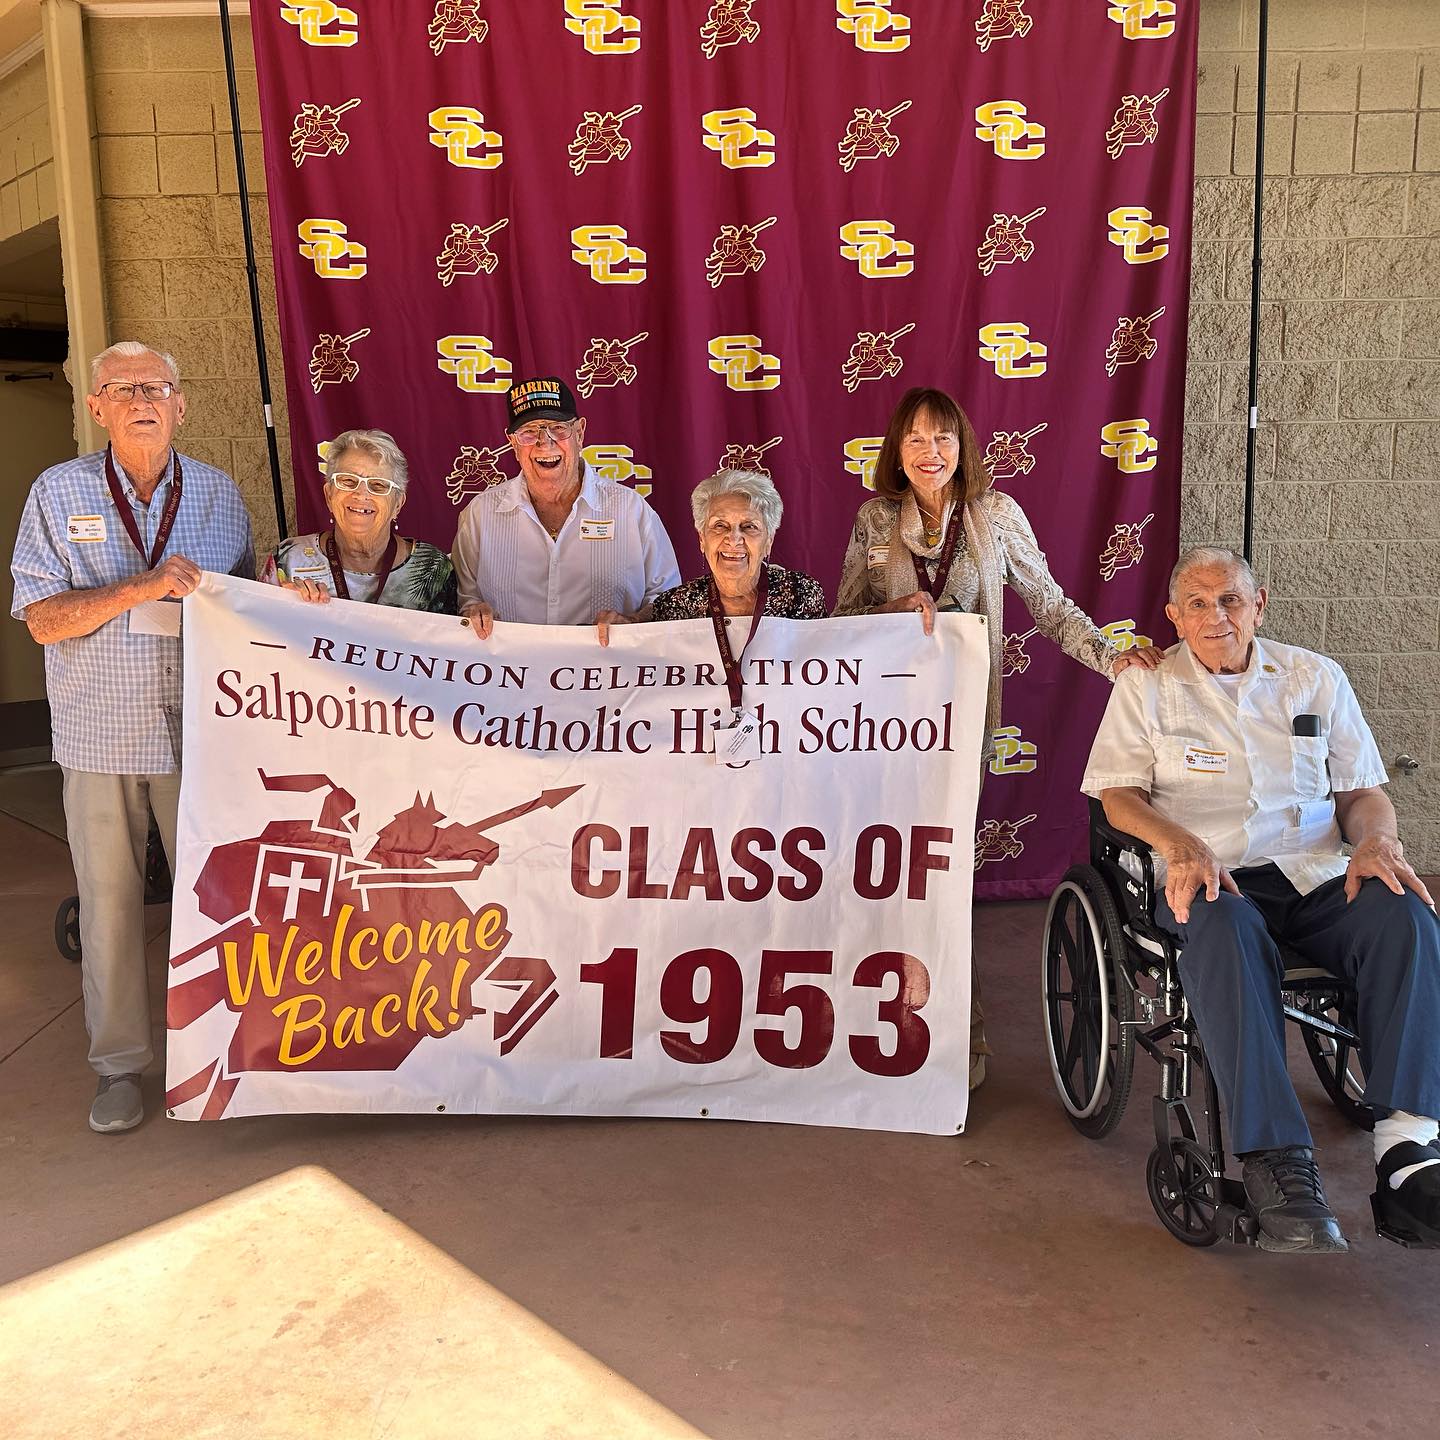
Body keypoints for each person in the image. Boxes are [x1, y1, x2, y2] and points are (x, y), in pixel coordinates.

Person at [1083, 546, 1440, 1253]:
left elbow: (1361, 793)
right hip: (1211, 874)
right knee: (1222, 927)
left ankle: (1407, 1149)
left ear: (1260, 604)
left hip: (1314, 873)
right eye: (1200, 603)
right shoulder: (1148, 687)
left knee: (1407, 915)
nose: (1217, 616)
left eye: (1231, 601)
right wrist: (1178, 842)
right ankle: (1278, 1159)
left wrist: (1376, 841)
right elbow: (1118, 795)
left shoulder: (1314, 679)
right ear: (1174, 617)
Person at [835, 386, 1159, 1087]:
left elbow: (1050, 606)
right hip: (881, 728)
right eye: (916, 438)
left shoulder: (997, 514)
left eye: (943, 438)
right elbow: (840, 619)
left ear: (963, 446)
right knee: (890, 876)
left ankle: (961, 1037)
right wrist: (892, 608)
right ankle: (882, 1026)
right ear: (896, 449)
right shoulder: (874, 519)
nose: (930, 451)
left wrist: (1112, 657)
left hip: (962, 726)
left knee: (944, 878)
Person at [10, 340, 254, 1134]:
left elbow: (249, 616)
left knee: (215, 906)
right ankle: (118, 1068)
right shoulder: (58, 493)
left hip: (202, 737)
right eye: (124, 388)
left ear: (182, 404)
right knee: (111, 911)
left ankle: (221, 1055)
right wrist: (141, 588)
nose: (143, 399)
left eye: (158, 387)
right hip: (101, 733)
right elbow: (43, 621)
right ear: (97, 406)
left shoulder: (219, 495)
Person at [452, 375, 679, 635]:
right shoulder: (480, 515)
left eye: (558, 428)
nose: (544, 442)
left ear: (580, 433)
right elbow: (462, 600)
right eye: (529, 432)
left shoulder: (632, 511)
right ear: (513, 443)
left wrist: (634, 623)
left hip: (606, 673)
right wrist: (472, 613)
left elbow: (667, 601)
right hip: (510, 674)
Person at [598, 468, 824, 639]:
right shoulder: (679, 604)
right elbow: (638, 628)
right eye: (719, 526)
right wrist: (621, 627)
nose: (733, 539)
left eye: (749, 527)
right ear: (702, 540)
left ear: (769, 542)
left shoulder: (800, 593)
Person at [261, 429, 456, 611]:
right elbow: (257, 635)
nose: (361, 494)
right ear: (329, 495)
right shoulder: (288, 560)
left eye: (379, 485)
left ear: (398, 503)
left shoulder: (433, 568)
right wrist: (282, 608)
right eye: (348, 481)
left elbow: (451, 644)